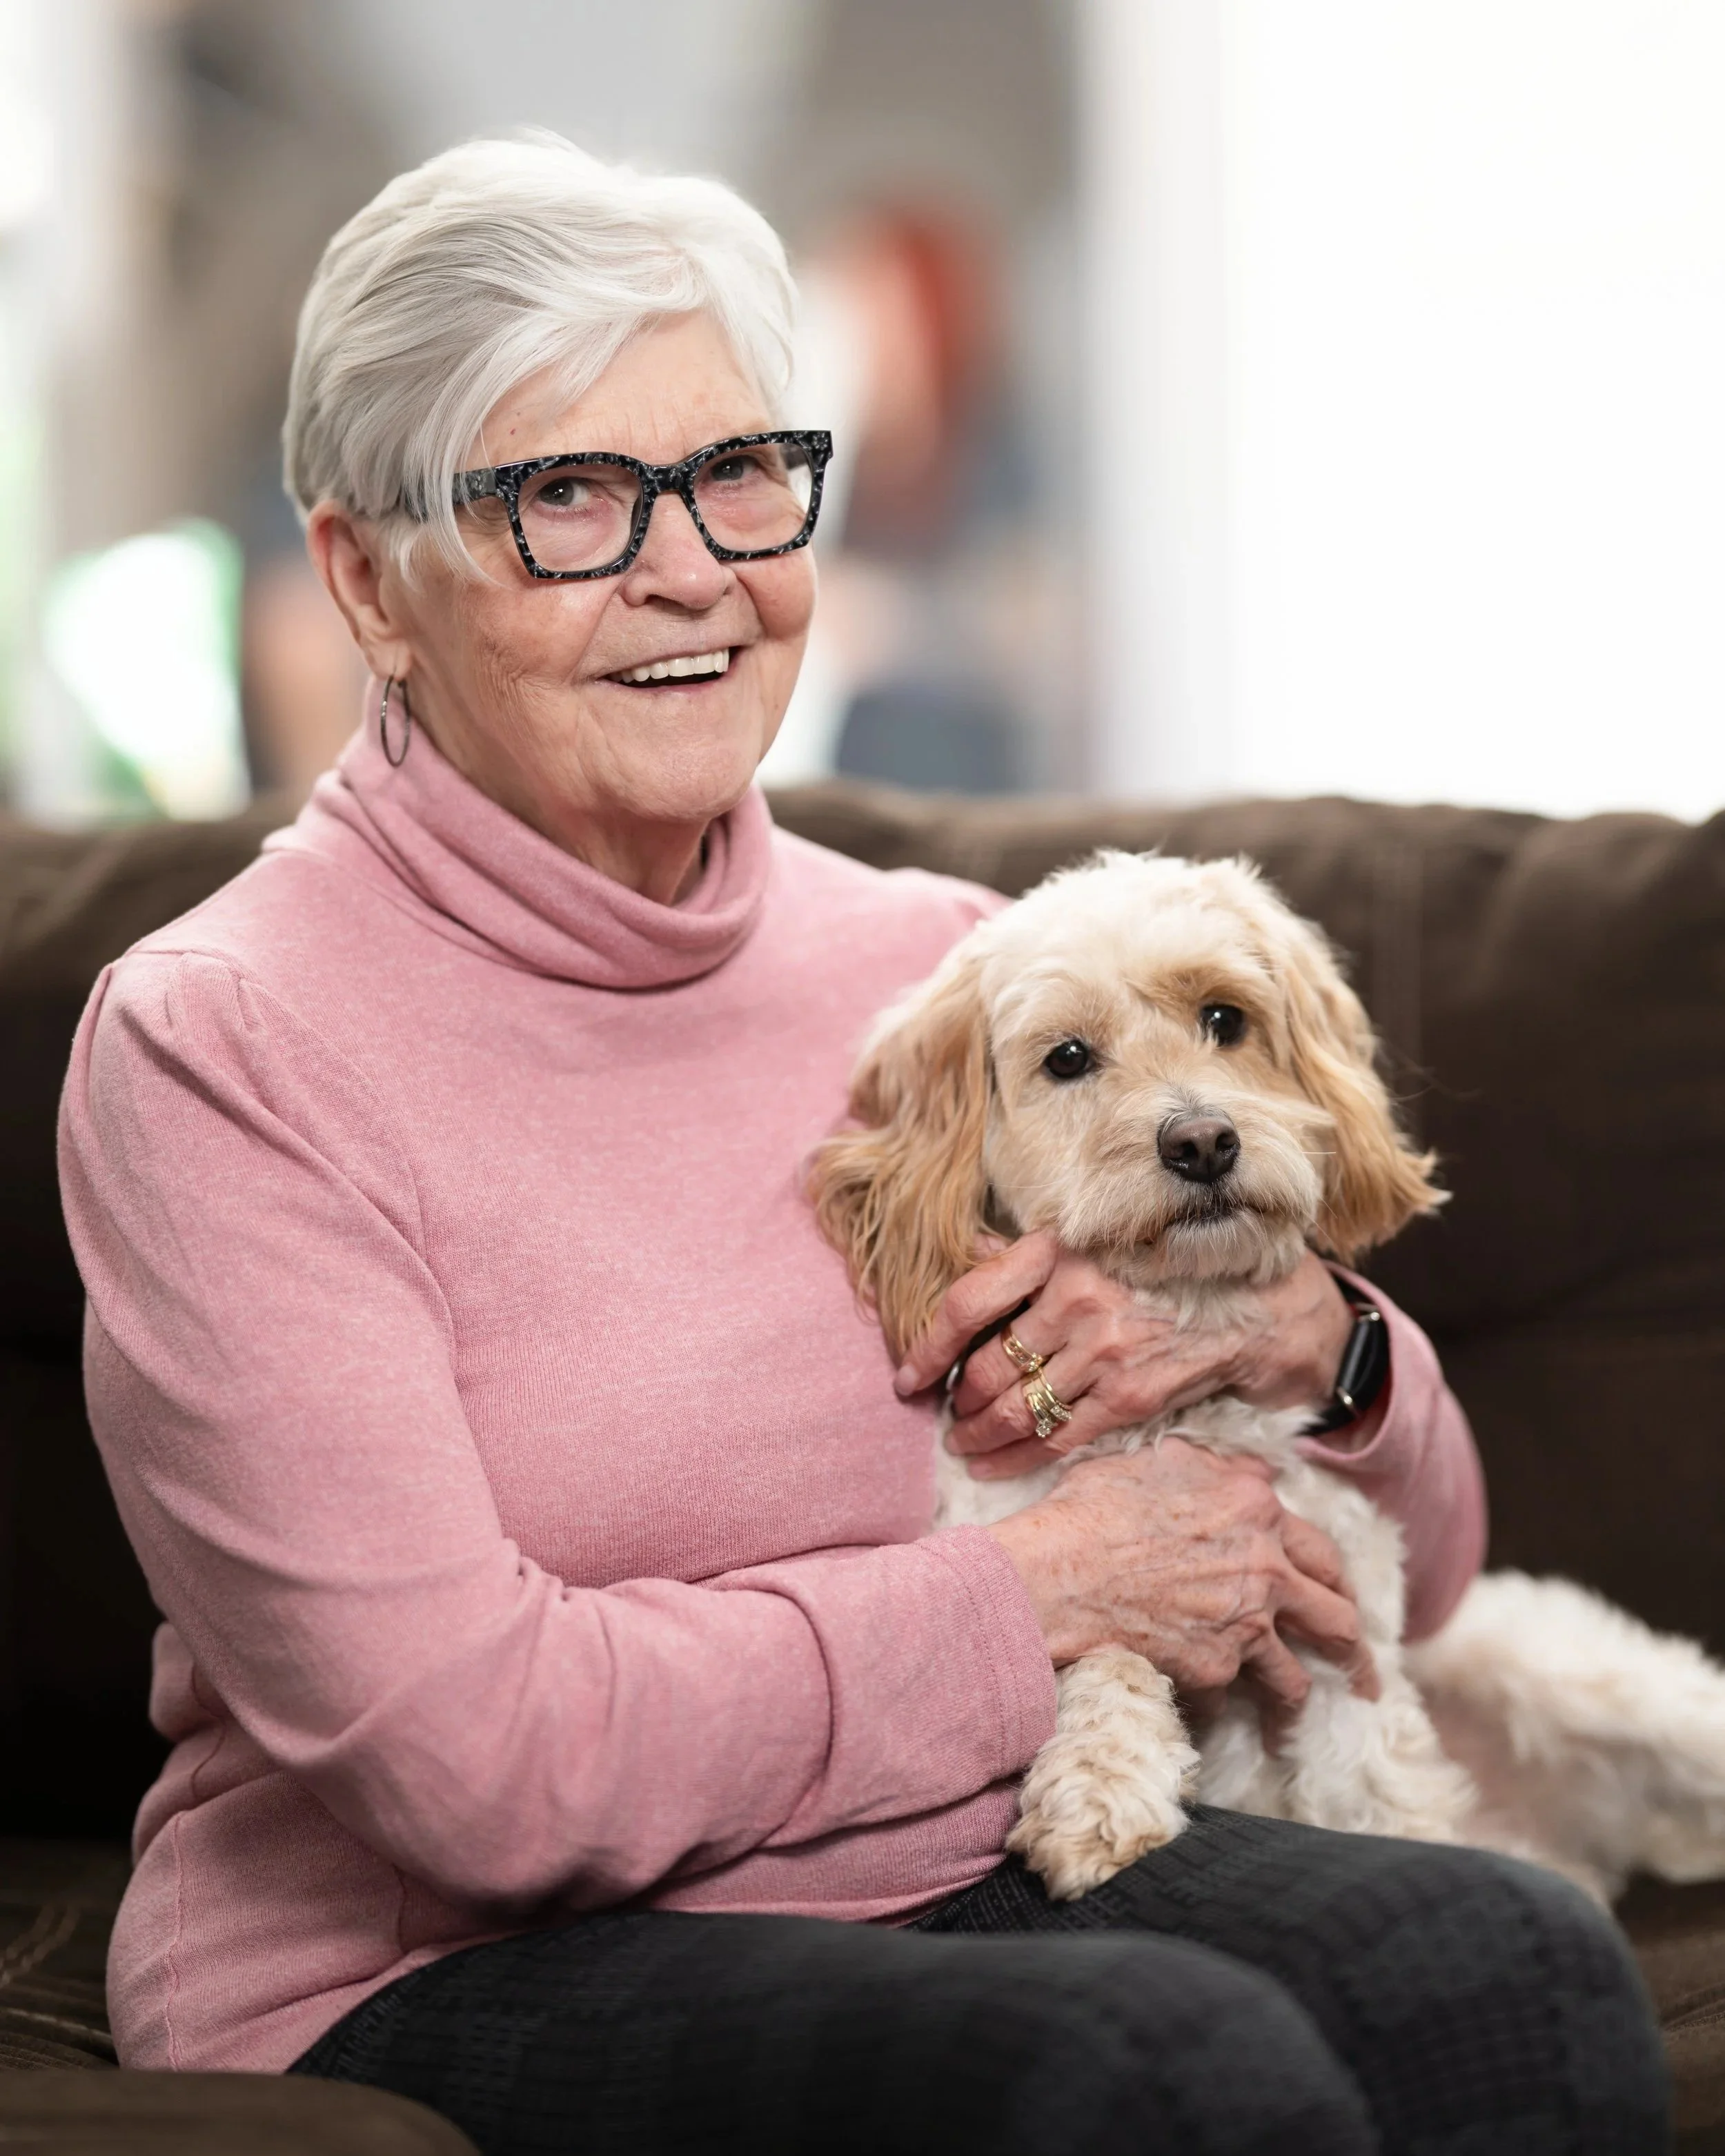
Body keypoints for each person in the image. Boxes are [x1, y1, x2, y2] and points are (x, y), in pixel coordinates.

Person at [58, 136, 1666, 2154]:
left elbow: (1407, 1585)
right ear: (369, 575)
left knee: (1506, 1963)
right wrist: (1044, 1598)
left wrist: (1322, 1352)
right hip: (437, 1956)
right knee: (1151, 2075)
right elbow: (469, 1761)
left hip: (946, 1836)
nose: (691, 567)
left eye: (738, 470)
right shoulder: (224, 1046)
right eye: (565, 494)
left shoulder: (955, 980)